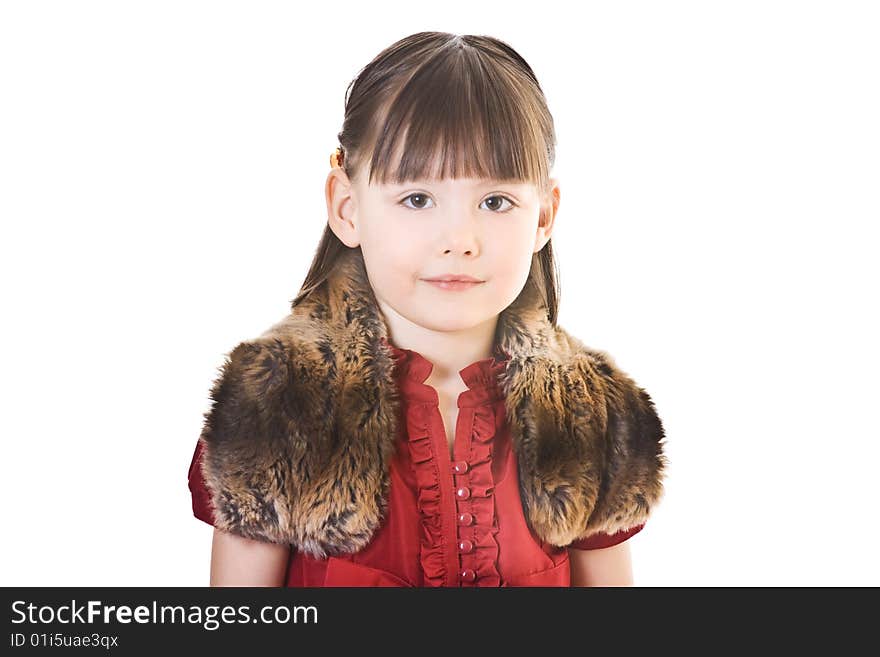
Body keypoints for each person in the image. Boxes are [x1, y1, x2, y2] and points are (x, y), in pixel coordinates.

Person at [187, 31, 668, 587]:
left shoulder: (591, 413)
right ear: (347, 207)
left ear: (543, 217)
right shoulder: (278, 401)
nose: (459, 239)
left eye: (495, 202)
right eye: (417, 199)